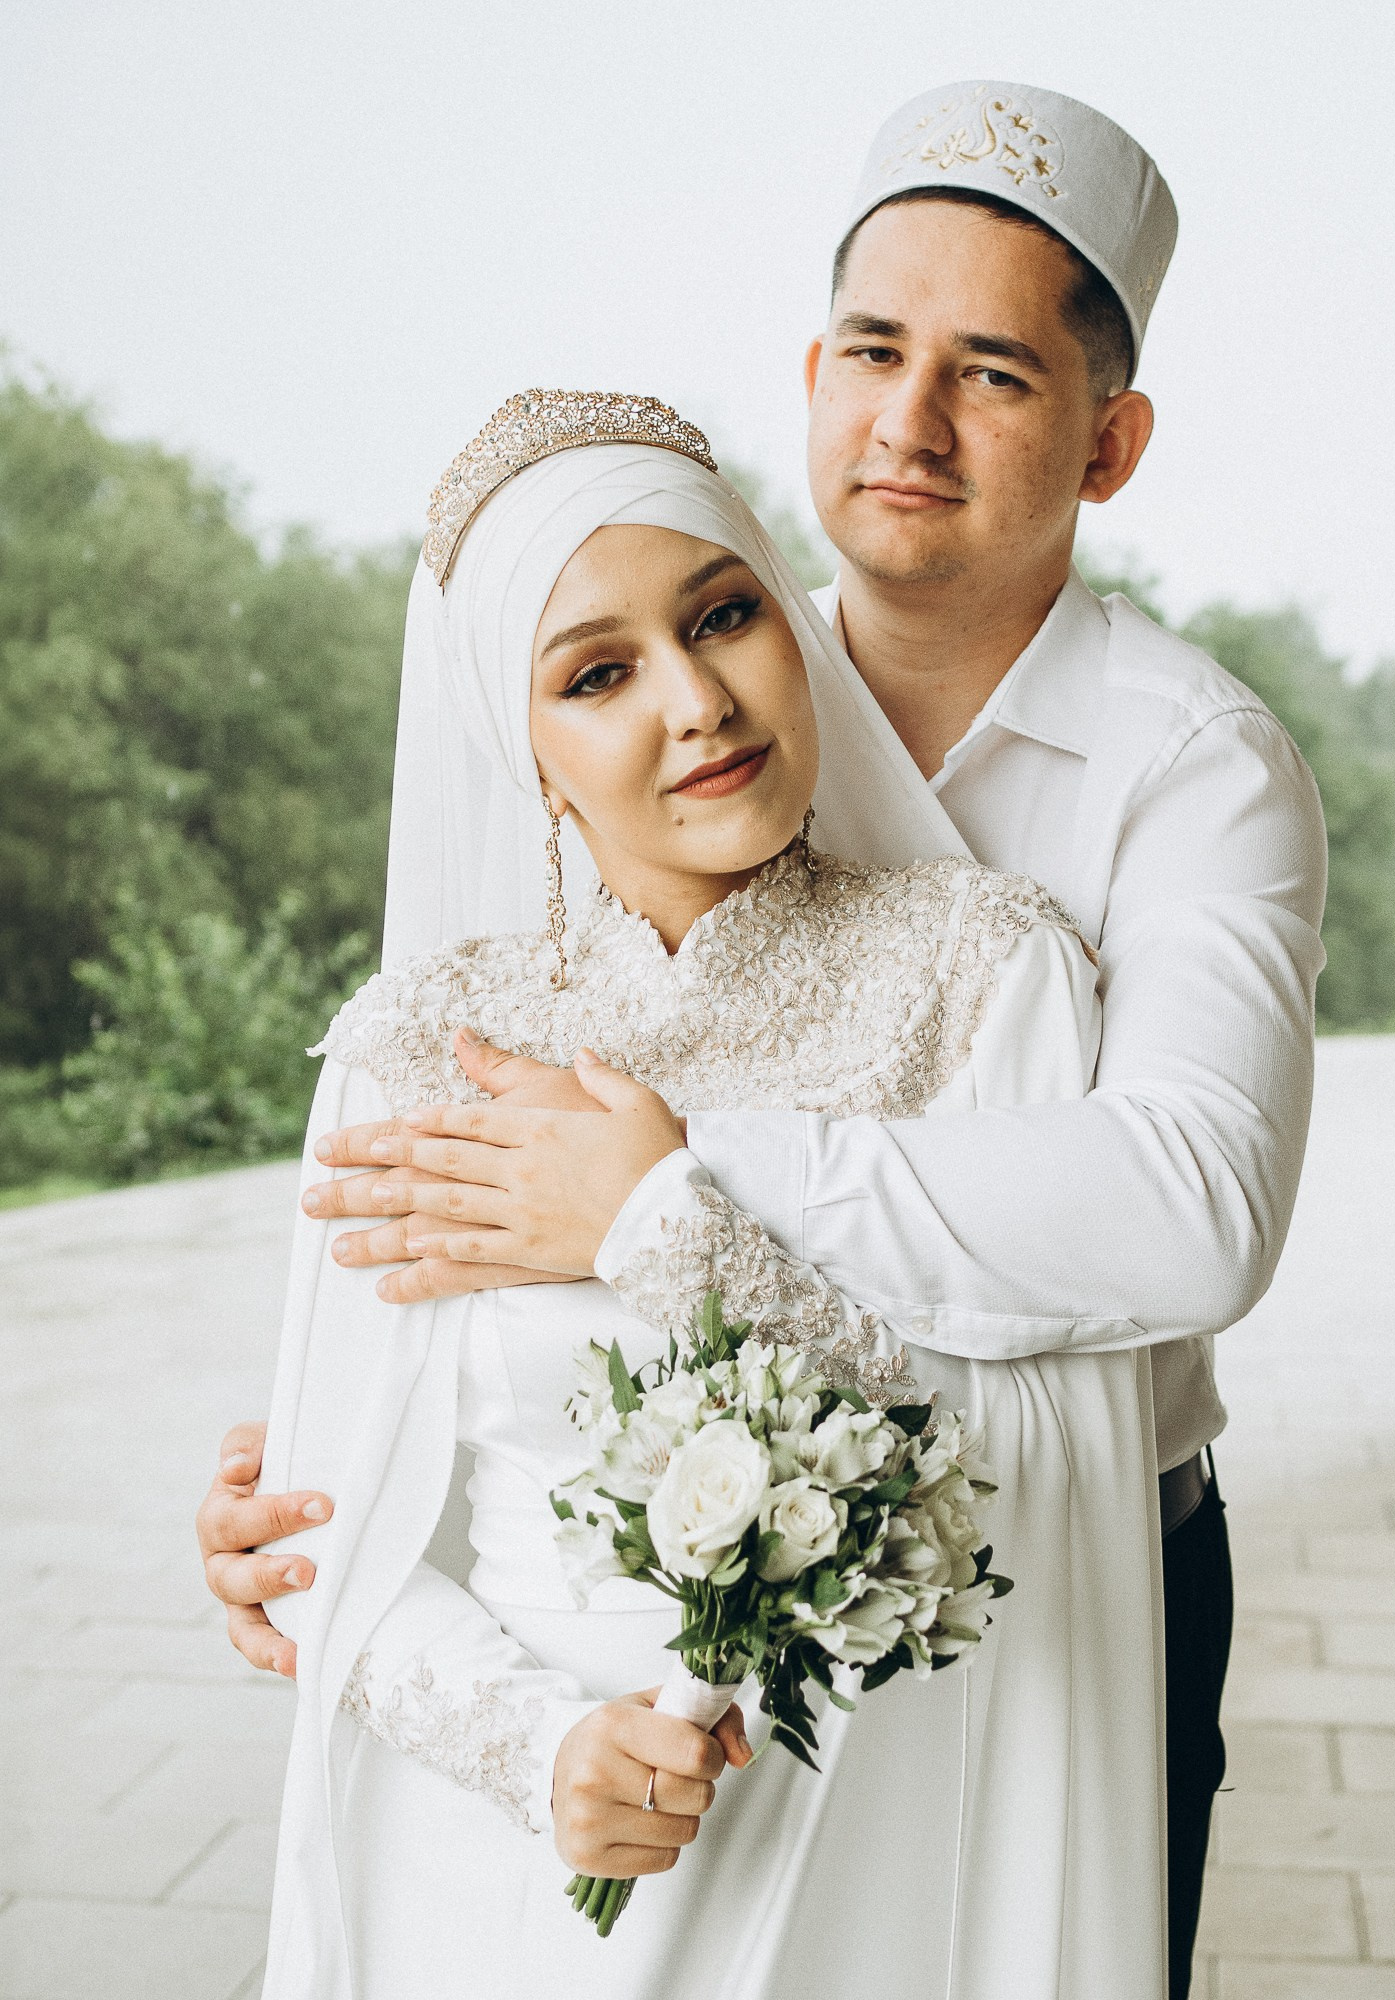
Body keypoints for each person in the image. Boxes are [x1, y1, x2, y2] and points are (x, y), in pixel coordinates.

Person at [198, 81, 1327, 1999]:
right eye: (874, 352)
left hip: (1052, 1598)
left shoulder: (1184, 773)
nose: (909, 422)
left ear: (1109, 440)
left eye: (993, 373)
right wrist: (315, 1517)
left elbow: (1191, 1205)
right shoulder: (665, 617)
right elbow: (365, 1484)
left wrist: (660, 1193)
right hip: (554, 1806)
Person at [254, 391, 1166, 2000]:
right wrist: (545, 1753)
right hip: (500, 1870)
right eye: (596, 675)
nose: (697, 702)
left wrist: (661, 1225)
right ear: (525, 752)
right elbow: (324, 1543)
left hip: (873, 1836)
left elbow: (1034, 1465)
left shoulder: (985, 973)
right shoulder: (416, 1051)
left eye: (724, 614)